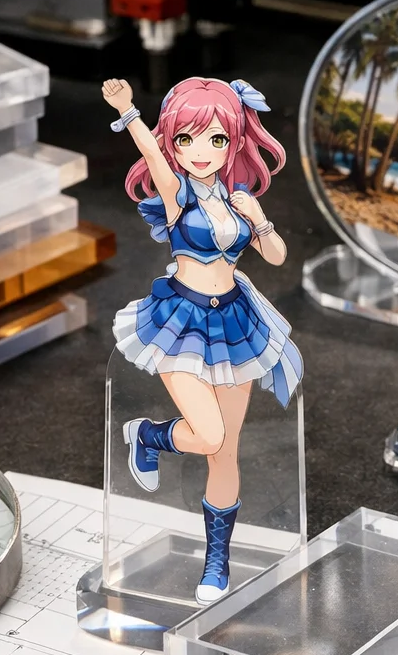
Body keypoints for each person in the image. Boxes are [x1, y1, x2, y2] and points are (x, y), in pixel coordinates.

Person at [104, 75, 303, 604]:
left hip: (234, 322)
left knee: (225, 451)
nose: (201, 151)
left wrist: (259, 221)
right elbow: (151, 153)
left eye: (216, 139)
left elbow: (277, 257)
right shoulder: (177, 193)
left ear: (232, 143)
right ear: (174, 142)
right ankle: (149, 436)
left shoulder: (239, 201)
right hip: (181, 320)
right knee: (209, 435)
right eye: (186, 138)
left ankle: (218, 561)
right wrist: (129, 111)